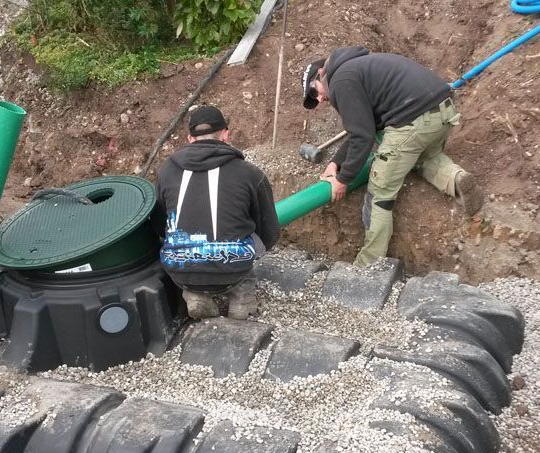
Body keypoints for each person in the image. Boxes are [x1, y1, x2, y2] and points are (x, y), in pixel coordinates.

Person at [301, 46, 482, 267]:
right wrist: (335, 162)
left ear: (321, 72)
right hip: (442, 113)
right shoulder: (357, 68)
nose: (319, 99)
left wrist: (342, 179)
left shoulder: (339, 82)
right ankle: (456, 179)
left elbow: (363, 136)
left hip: (414, 121)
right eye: (313, 98)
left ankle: (368, 266)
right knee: (419, 156)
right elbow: (364, 128)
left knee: (379, 192)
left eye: (314, 91)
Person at [152, 105, 279, 320]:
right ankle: (241, 298)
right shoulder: (249, 173)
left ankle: (194, 295)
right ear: (226, 134)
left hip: (181, 271)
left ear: (190, 138)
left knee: (176, 238)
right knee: (253, 239)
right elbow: (269, 228)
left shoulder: (166, 171)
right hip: (233, 269)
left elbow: (159, 224)